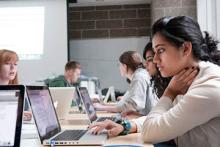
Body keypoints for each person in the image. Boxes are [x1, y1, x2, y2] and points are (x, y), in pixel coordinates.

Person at [89, 16, 220, 147]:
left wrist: (170, 93)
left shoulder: (209, 86)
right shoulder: (186, 78)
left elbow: (150, 131)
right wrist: (127, 126)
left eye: (161, 50)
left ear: (185, 48)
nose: (155, 59)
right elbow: (167, 118)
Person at [94, 51, 157, 116]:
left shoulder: (139, 77)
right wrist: (104, 105)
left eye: (120, 65)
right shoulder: (140, 74)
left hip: (146, 121)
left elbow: (131, 106)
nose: (119, 68)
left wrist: (102, 107)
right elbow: (126, 102)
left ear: (124, 66)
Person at [0, 49, 32, 121]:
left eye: (15, 64)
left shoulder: (17, 92)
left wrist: (20, 115)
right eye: (7, 63)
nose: (12, 67)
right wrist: (13, 116)